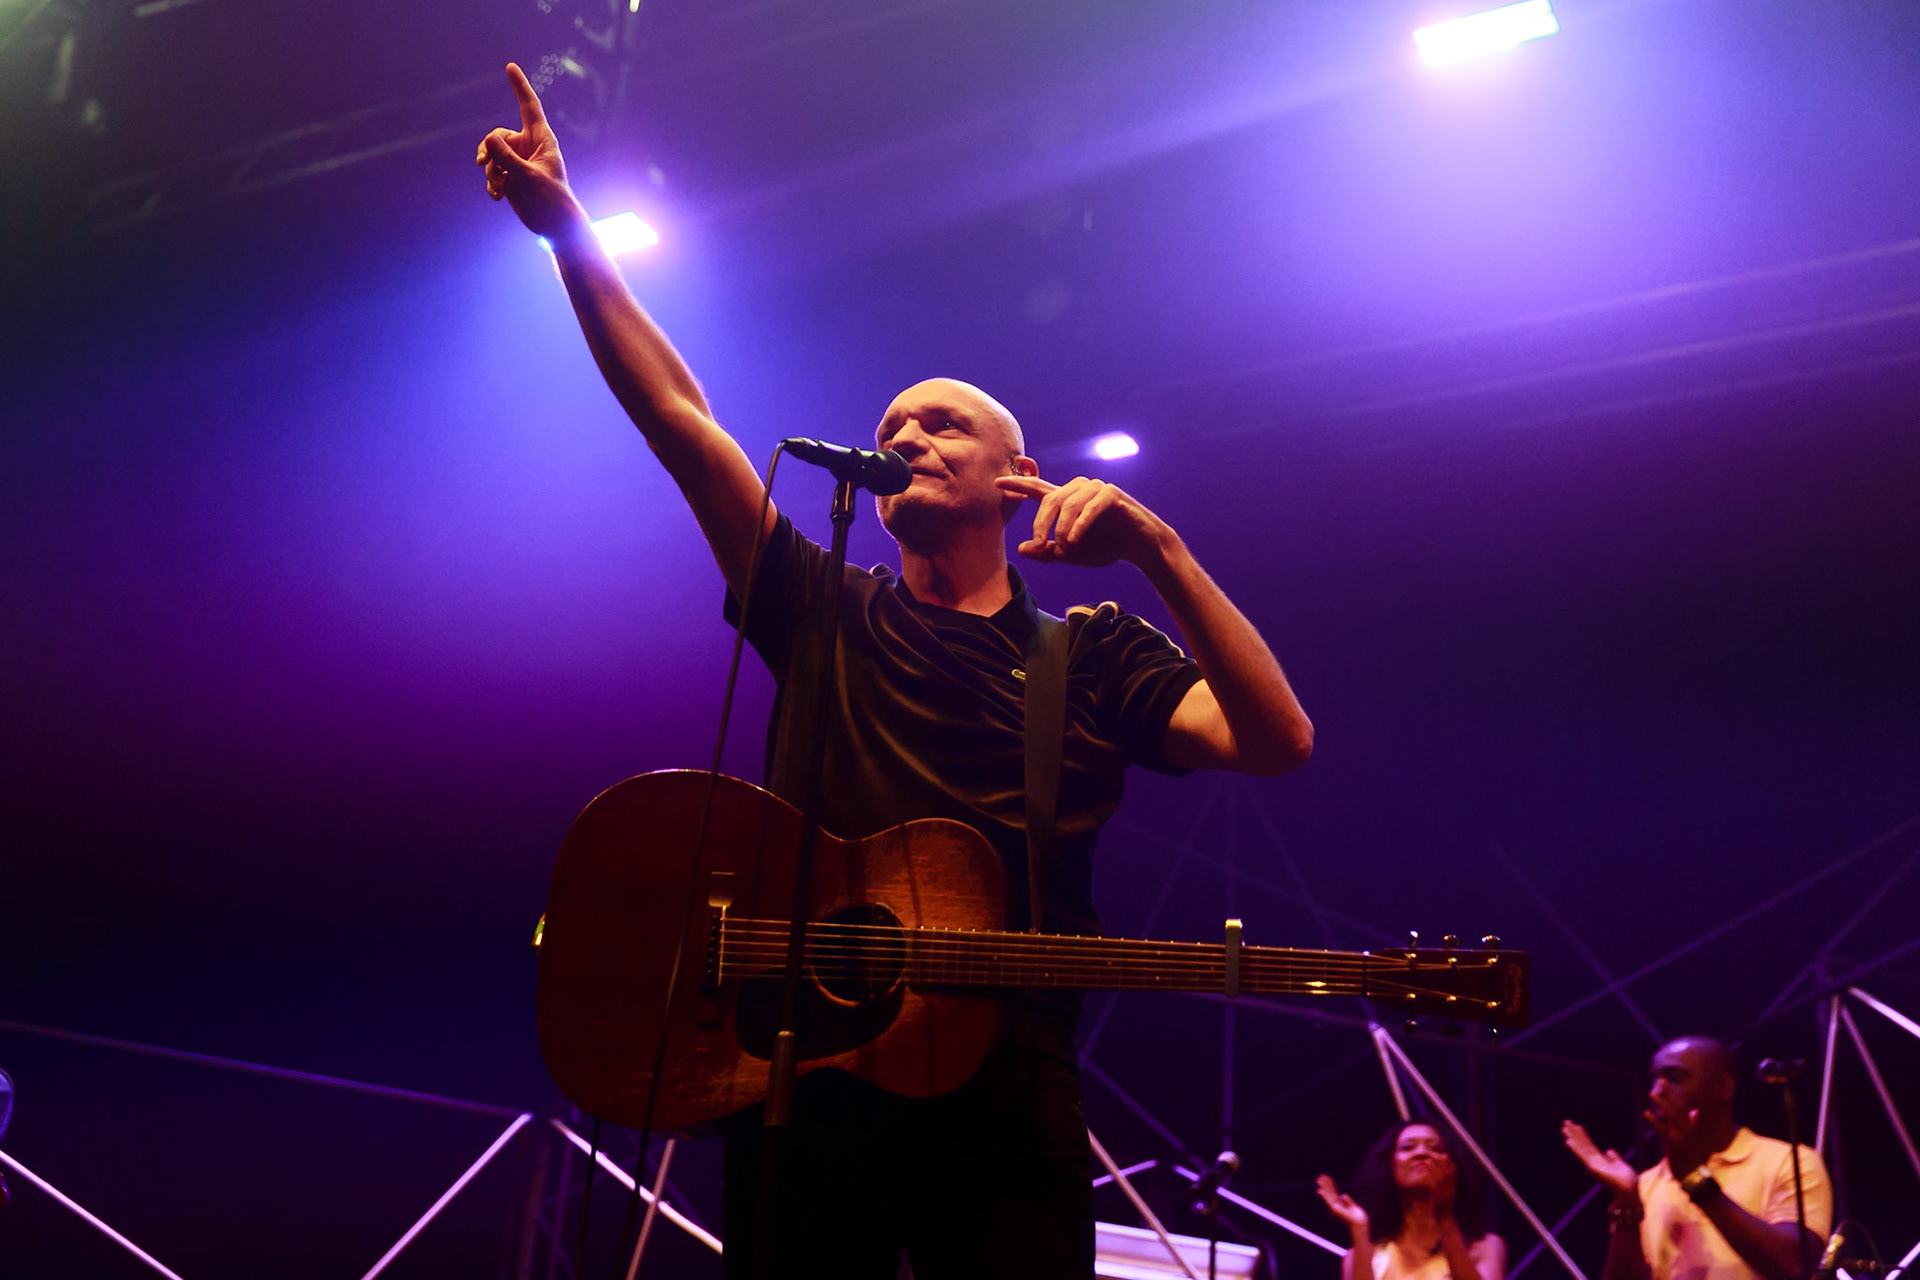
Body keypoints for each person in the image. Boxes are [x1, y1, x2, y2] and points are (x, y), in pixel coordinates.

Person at [478, 62, 1313, 1279]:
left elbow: (1278, 739)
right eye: (892, 428)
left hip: (1010, 1076)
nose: (904, 437)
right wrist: (570, 232)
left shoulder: (1094, 654)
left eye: (940, 425)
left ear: (1016, 474)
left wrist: (1162, 550)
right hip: (803, 1060)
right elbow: (678, 414)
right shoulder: (824, 603)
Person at [1562, 1036, 1831, 1280]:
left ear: (1724, 1087)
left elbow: (1796, 1267)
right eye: (1655, 1079)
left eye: (1676, 1077)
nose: (1656, 1092)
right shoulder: (1645, 1185)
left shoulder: (1788, 1161)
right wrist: (1628, 1204)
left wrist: (1695, 1180)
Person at [1317, 1121, 1507, 1280]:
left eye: (1436, 1148)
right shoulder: (1360, 1255)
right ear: (1389, 1167)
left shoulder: (1483, 1247)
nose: (1422, 1153)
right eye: (1408, 1147)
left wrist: (1446, 1219)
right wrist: (1360, 1228)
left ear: (1452, 1167)